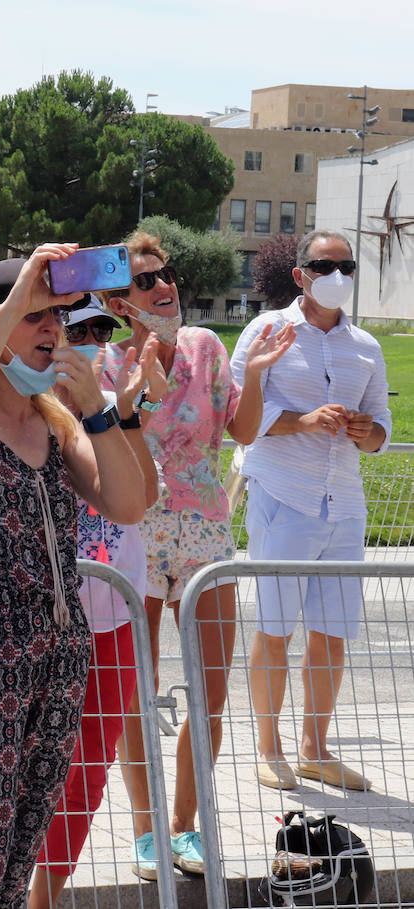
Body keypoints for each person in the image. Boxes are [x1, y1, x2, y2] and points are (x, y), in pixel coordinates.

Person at [0, 251, 145, 908]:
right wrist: (18, 293)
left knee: (15, 871)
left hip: (59, 654)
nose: (53, 328)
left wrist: (99, 409)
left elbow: (127, 504)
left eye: (58, 316)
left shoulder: (54, 418)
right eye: (35, 315)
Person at [101, 231, 294, 879]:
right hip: (138, 532)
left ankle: (186, 824)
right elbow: (106, 441)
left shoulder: (206, 346)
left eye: (167, 274)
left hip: (207, 529)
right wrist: (143, 387)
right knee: (137, 689)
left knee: (209, 691)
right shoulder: (105, 363)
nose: (165, 286)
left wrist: (258, 375)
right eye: (147, 281)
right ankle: (148, 829)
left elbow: (239, 429)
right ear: (119, 303)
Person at [233, 230, 391, 793]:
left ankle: (314, 750)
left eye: (346, 265)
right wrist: (301, 421)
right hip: (284, 498)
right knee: (275, 628)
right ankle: (269, 748)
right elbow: (238, 415)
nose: (338, 273)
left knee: (332, 633)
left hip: (344, 506)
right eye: (326, 264)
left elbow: (381, 430)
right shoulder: (265, 330)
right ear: (300, 274)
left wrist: (368, 431)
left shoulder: (366, 347)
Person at [29, 295, 164, 909]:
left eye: (98, 330)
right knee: (22, 761)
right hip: (39, 618)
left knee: (86, 770)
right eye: (74, 327)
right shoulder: (21, 405)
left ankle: (44, 897)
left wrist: (125, 411)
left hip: (112, 618)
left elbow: (145, 494)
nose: (87, 340)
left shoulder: (107, 406)